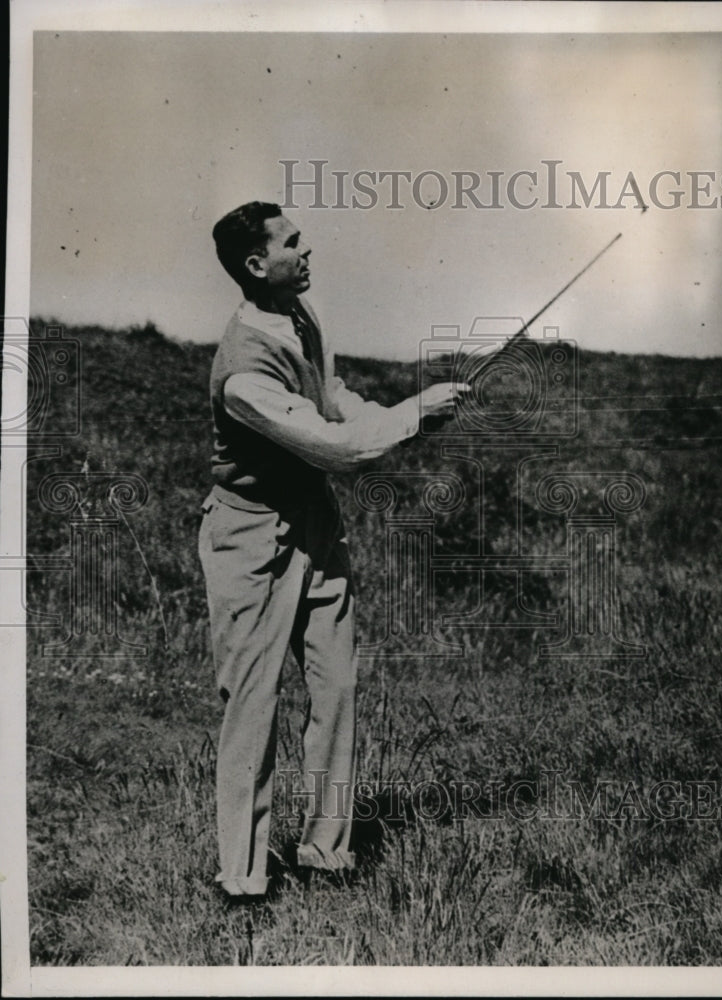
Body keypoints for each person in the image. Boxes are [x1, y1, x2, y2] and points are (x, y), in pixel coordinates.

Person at [198, 200, 470, 899]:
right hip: (249, 538)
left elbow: (334, 399)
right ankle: (244, 880)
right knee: (252, 707)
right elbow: (332, 446)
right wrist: (412, 416)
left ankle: (326, 854)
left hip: (314, 523)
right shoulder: (241, 373)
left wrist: (402, 419)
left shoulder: (301, 316)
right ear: (258, 264)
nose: (307, 250)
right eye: (293, 243)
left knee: (337, 687)